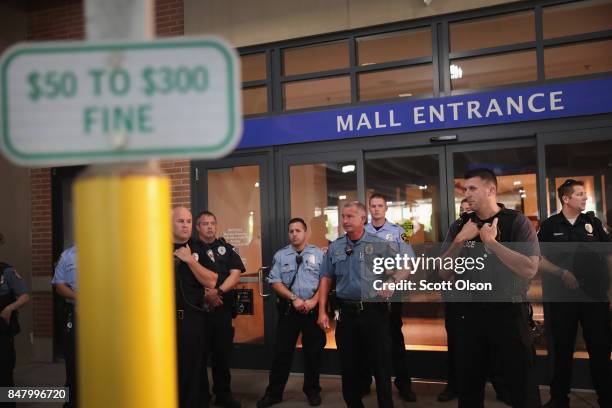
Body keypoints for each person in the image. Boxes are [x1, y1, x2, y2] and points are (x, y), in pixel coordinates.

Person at [439, 168, 541, 408]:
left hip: (509, 313)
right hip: (471, 316)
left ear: (491, 190)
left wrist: (492, 243)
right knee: (469, 388)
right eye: (465, 189)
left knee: (522, 387)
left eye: (473, 188)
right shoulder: (460, 226)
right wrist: (459, 241)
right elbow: (443, 272)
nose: (467, 194)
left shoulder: (517, 222)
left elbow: (529, 269)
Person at [538, 179, 611, 408]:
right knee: (561, 351)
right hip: (563, 299)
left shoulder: (593, 223)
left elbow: (608, 255)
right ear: (566, 199)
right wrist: (561, 273)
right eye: (579, 194)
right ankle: (559, 399)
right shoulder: (550, 226)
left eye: (584, 194)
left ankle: (606, 398)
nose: (585, 197)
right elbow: (538, 259)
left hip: (594, 297)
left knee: (600, 350)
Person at [318, 201, 396, 408]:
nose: (345, 220)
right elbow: (325, 278)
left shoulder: (379, 243)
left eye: (350, 216)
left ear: (363, 219)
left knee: (381, 366)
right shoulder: (336, 246)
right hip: (346, 315)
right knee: (349, 366)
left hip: (374, 313)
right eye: (343, 216)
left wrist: (392, 281)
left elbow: (404, 267)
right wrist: (322, 311)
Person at [257, 218, 326, 408]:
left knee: (313, 353)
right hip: (290, 311)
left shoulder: (319, 254)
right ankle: (274, 394)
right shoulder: (281, 256)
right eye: (291, 231)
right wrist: (294, 298)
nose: (294, 234)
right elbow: (275, 281)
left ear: (306, 233)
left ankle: (312, 391)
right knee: (282, 354)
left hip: (312, 310)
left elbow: (325, 281)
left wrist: (313, 301)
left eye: (298, 230)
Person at [363, 193, 416, 402]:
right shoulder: (361, 230)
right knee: (366, 340)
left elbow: (409, 263)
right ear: (369, 209)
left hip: (392, 290)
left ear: (386, 209)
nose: (376, 209)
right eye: (373, 206)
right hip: (367, 292)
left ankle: (404, 386)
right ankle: (364, 383)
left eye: (380, 206)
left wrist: (393, 282)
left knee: (395, 338)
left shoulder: (400, 232)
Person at [196, 211, 246, 408]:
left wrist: (217, 292)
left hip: (221, 310)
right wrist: (205, 294)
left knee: (221, 355)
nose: (209, 227)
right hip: (198, 311)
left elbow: (235, 275)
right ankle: (201, 395)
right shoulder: (190, 248)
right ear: (198, 227)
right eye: (205, 223)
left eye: (212, 223)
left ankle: (223, 394)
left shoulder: (227, 248)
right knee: (198, 356)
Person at [172, 207, 218, 408]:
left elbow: (212, 280)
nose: (185, 225)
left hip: (192, 319)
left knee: (194, 371)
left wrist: (189, 260)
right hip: (164, 321)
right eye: (180, 221)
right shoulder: (156, 248)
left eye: (189, 221)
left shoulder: (198, 248)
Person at [437, 199, 471, 403]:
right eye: (462, 210)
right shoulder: (455, 228)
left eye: (468, 209)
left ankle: (500, 385)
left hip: (483, 296)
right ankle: (454, 385)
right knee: (456, 345)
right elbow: (444, 261)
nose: (465, 213)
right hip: (457, 295)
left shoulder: (489, 227)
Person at [51, 246, 78, 408]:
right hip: (76, 314)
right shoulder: (68, 255)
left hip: (107, 315)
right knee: (73, 363)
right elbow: (59, 285)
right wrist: (81, 297)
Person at [0, 261, 29, 408]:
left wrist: (9, 308)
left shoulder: (6, 271)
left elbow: (24, 296)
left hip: (2, 333)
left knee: (4, 376)